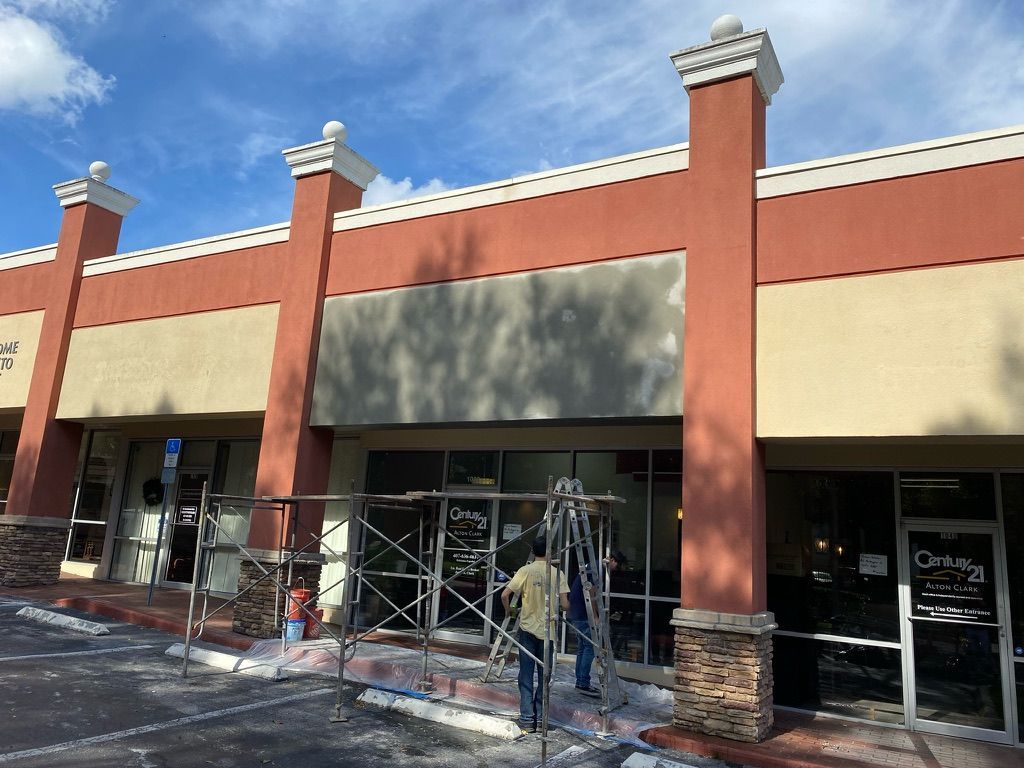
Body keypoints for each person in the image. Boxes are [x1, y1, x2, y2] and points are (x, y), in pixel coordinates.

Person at [501, 535, 569, 733]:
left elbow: (505, 595)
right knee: (544, 676)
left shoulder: (525, 571)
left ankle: (527, 719)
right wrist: (565, 611)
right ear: (550, 553)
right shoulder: (558, 573)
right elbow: (565, 604)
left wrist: (509, 611)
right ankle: (540, 720)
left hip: (528, 629)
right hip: (548, 632)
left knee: (526, 675)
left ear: (533, 551)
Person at [567, 550, 625, 696]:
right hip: (583, 613)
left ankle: (580, 681)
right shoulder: (595, 568)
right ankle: (583, 683)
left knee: (582, 647)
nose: (616, 569)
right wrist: (595, 616)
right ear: (612, 560)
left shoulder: (592, 565)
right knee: (589, 648)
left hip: (577, 612)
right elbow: (590, 591)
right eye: (617, 565)